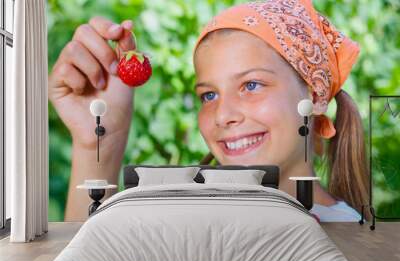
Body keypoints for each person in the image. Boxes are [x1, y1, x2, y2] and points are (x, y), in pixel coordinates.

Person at [49, 0, 368, 222]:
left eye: (251, 85)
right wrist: (97, 143)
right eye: (209, 94)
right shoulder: (189, 212)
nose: (222, 115)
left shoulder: (346, 236)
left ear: (313, 94)